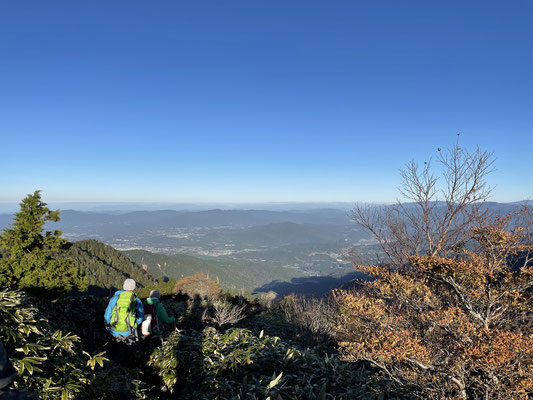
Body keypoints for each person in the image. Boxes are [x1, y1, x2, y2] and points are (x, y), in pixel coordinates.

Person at [104, 278, 144, 345]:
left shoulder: (115, 298)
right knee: (128, 350)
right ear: (133, 288)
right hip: (129, 331)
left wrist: (108, 324)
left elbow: (107, 315)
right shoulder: (136, 300)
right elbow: (140, 317)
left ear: (124, 286)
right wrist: (135, 323)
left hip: (114, 330)